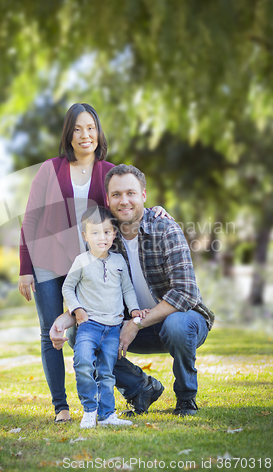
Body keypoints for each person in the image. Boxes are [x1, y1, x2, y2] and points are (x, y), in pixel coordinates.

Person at [18, 104, 168, 423]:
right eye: (77, 129)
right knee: (51, 332)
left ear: (98, 132)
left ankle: (134, 387)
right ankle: (61, 406)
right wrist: (25, 268)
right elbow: (29, 220)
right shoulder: (50, 169)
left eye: (90, 128)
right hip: (48, 261)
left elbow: (127, 201)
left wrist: (155, 210)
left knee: (93, 329)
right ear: (68, 135)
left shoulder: (108, 170)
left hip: (90, 265)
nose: (85, 135)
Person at [50, 164, 215, 417]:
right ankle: (140, 388)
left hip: (181, 323)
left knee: (177, 324)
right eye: (116, 195)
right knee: (78, 335)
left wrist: (136, 323)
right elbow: (88, 296)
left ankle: (186, 398)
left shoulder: (166, 229)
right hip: (133, 328)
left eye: (131, 193)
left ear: (144, 195)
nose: (124, 200)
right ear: (108, 199)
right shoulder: (105, 239)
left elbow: (185, 293)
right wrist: (64, 320)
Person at [63, 206, 149, 428]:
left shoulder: (119, 261)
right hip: (89, 326)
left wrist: (134, 310)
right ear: (85, 236)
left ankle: (107, 415)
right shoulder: (81, 261)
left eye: (107, 232)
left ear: (114, 234)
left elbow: (128, 289)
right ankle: (90, 410)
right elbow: (67, 289)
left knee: (107, 372)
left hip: (113, 328)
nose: (102, 237)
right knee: (82, 363)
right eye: (95, 233)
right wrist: (77, 309)